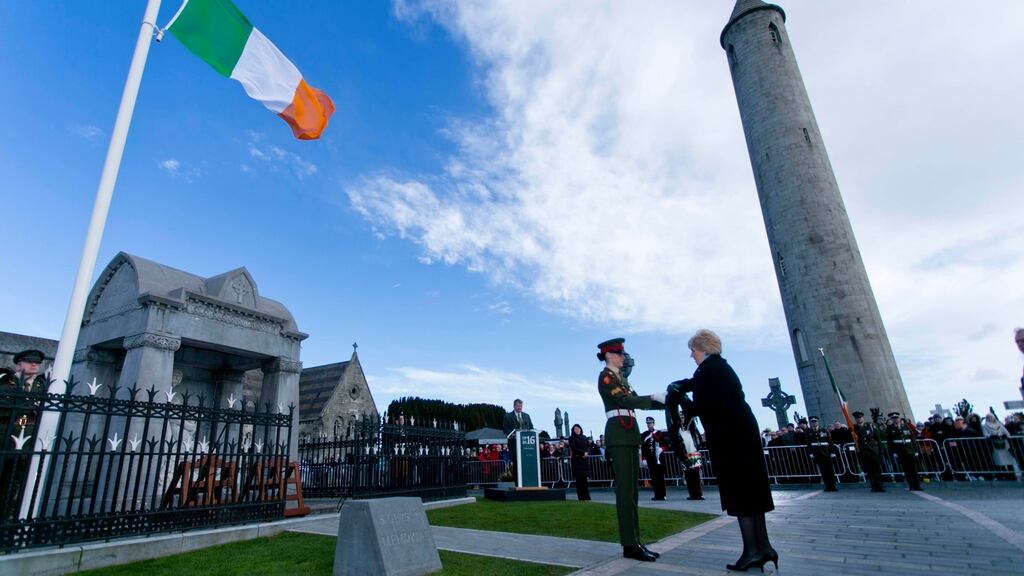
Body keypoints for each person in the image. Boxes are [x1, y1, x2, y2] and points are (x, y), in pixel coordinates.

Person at [668, 329, 776, 572]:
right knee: (751, 491)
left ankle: (751, 551)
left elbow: (706, 403)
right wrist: (680, 386)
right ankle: (764, 546)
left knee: (741, 491)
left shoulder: (712, 370)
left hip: (733, 437)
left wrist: (684, 404)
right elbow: (696, 384)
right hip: (740, 433)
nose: (691, 355)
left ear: (703, 349)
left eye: (693, 351)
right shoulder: (715, 368)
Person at [596, 337, 665, 562]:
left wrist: (666, 402)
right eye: (618, 353)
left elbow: (634, 400)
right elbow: (626, 401)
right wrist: (654, 398)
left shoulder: (621, 378)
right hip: (619, 434)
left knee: (632, 492)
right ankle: (629, 543)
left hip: (629, 433)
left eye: (622, 353)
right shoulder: (606, 377)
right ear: (608, 355)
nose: (622, 357)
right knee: (625, 492)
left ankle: (634, 541)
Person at [885, 412, 922, 491]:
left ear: (899, 419)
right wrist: (894, 452)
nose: (895, 420)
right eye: (893, 418)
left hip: (909, 449)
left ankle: (917, 485)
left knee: (914, 469)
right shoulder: (890, 429)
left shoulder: (905, 426)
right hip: (900, 451)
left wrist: (916, 450)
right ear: (892, 419)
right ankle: (911, 485)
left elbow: (912, 438)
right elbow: (890, 441)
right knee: (906, 469)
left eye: (897, 418)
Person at [852, 411, 885, 492]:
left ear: (863, 418)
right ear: (855, 419)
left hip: (873, 450)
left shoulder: (870, 426)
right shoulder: (854, 428)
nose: (859, 419)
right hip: (863, 451)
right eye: (857, 418)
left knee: (877, 469)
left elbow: (877, 438)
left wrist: (881, 450)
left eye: (860, 418)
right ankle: (873, 486)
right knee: (869, 470)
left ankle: (879, 486)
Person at [982, 413, 1021, 480]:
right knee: (998, 460)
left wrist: (1005, 435)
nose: (990, 418)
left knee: (1008, 460)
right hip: (995, 445)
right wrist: (991, 436)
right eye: (988, 417)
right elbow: (985, 434)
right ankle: (1003, 475)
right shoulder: (985, 426)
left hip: (1004, 445)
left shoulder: (999, 424)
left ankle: (1012, 475)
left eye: (991, 417)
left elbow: (1007, 432)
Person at [502, 398, 534, 477]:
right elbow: (505, 428)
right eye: (518, 406)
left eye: (521, 406)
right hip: (514, 445)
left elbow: (531, 427)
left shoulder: (526, 416)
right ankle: (517, 483)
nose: (520, 408)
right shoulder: (508, 416)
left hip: (526, 445)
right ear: (514, 406)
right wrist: (513, 434)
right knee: (516, 464)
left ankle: (527, 480)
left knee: (525, 463)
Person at [806, 416, 838, 492]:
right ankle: (827, 486)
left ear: (818, 422)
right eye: (812, 422)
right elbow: (808, 443)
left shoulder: (824, 430)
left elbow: (830, 441)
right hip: (817, 453)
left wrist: (832, 452)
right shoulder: (809, 431)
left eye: (815, 421)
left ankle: (833, 486)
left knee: (830, 470)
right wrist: (811, 452)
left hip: (826, 452)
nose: (814, 423)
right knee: (823, 471)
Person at [640, 417, 667, 501]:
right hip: (650, 459)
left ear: (654, 424)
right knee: (654, 478)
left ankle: (663, 495)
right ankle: (657, 495)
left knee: (661, 477)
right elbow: (643, 448)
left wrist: (662, 449)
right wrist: (643, 459)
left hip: (659, 458)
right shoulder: (644, 434)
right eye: (648, 423)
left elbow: (667, 444)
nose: (649, 425)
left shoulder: (659, 433)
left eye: (651, 423)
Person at [568, 424, 592, 501]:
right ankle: (581, 497)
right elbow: (574, 448)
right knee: (579, 480)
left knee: (585, 479)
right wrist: (583, 453)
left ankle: (587, 496)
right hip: (577, 460)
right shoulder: (571, 438)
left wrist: (587, 453)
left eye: (578, 428)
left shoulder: (584, 437)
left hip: (584, 460)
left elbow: (589, 446)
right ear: (573, 430)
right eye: (575, 429)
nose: (577, 430)